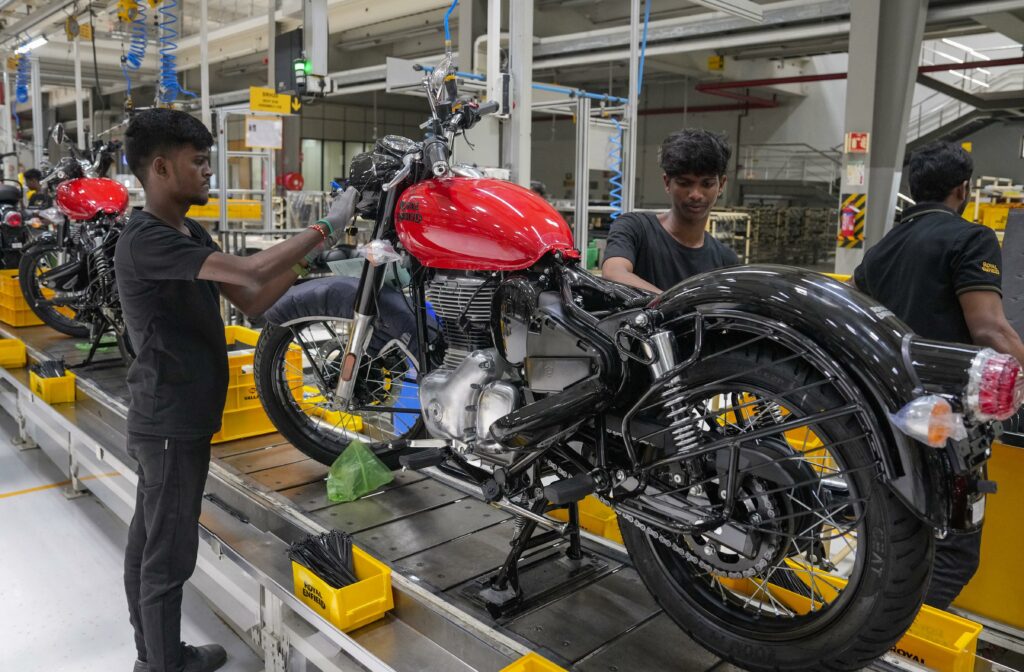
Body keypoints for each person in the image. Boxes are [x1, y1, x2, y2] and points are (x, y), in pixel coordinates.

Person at [115, 109, 357, 672]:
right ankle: (165, 665)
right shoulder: (147, 239)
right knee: (168, 554)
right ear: (160, 167)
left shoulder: (187, 232)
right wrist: (326, 226)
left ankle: (153, 657)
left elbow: (251, 299)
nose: (208, 171)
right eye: (198, 161)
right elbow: (250, 272)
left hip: (176, 417)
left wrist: (314, 259)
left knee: (150, 542)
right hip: (170, 421)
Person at [852, 140, 1024, 610]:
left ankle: (873, 627)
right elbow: (990, 328)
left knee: (900, 539)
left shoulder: (879, 252)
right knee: (954, 555)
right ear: (962, 189)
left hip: (887, 416)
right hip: (948, 424)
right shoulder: (971, 238)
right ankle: (898, 636)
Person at [602, 128, 739, 293]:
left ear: (721, 185)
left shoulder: (725, 260)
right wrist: (677, 304)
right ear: (667, 183)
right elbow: (613, 273)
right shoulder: (635, 229)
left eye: (707, 184)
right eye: (684, 183)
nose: (696, 194)